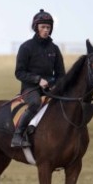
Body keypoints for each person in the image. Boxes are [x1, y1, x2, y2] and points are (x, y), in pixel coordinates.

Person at [11, 9, 66, 148]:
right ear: (36, 28)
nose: (46, 30)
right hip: (30, 88)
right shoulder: (26, 47)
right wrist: (37, 80)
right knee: (35, 103)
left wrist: (56, 85)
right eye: (43, 27)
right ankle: (17, 135)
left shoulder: (54, 49)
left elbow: (61, 74)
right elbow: (19, 73)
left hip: (49, 88)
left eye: (48, 27)